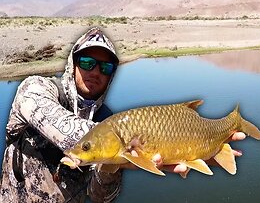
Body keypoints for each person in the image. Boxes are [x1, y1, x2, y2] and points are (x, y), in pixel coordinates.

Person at [0, 27, 245, 202]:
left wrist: (111, 167)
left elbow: (100, 197)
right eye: (87, 63)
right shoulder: (35, 89)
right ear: (73, 63)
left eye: (106, 68)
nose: (96, 72)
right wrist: (124, 150)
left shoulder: (108, 120)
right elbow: (71, 137)